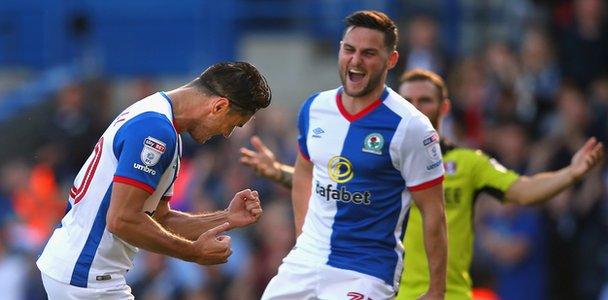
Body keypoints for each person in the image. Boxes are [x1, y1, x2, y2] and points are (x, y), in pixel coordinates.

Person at [240, 68, 605, 299]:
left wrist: (570, 174)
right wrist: (280, 173)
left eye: (425, 101)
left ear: (443, 108)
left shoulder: (468, 163)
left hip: (448, 294)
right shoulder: (384, 159)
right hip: (387, 288)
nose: (416, 107)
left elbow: (522, 190)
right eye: (409, 100)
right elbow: (339, 192)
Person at [36, 61, 272, 299]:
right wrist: (192, 253)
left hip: (80, 271)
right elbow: (121, 219)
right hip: (86, 277)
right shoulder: (155, 130)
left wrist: (226, 217)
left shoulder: (160, 119)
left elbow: (160, 219)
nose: (226, 133)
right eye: (233, 124)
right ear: (219, 106)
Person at [259, 11, 448, 299]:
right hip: (307, 260)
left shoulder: (410, 126)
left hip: (366, 270)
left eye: (368, 53)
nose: (356, 60)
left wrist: (436, 290)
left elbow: (434, 211)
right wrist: (303, 241)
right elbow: (304, 171)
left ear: (391, 60)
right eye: (349, 49)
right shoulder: (315, 108)